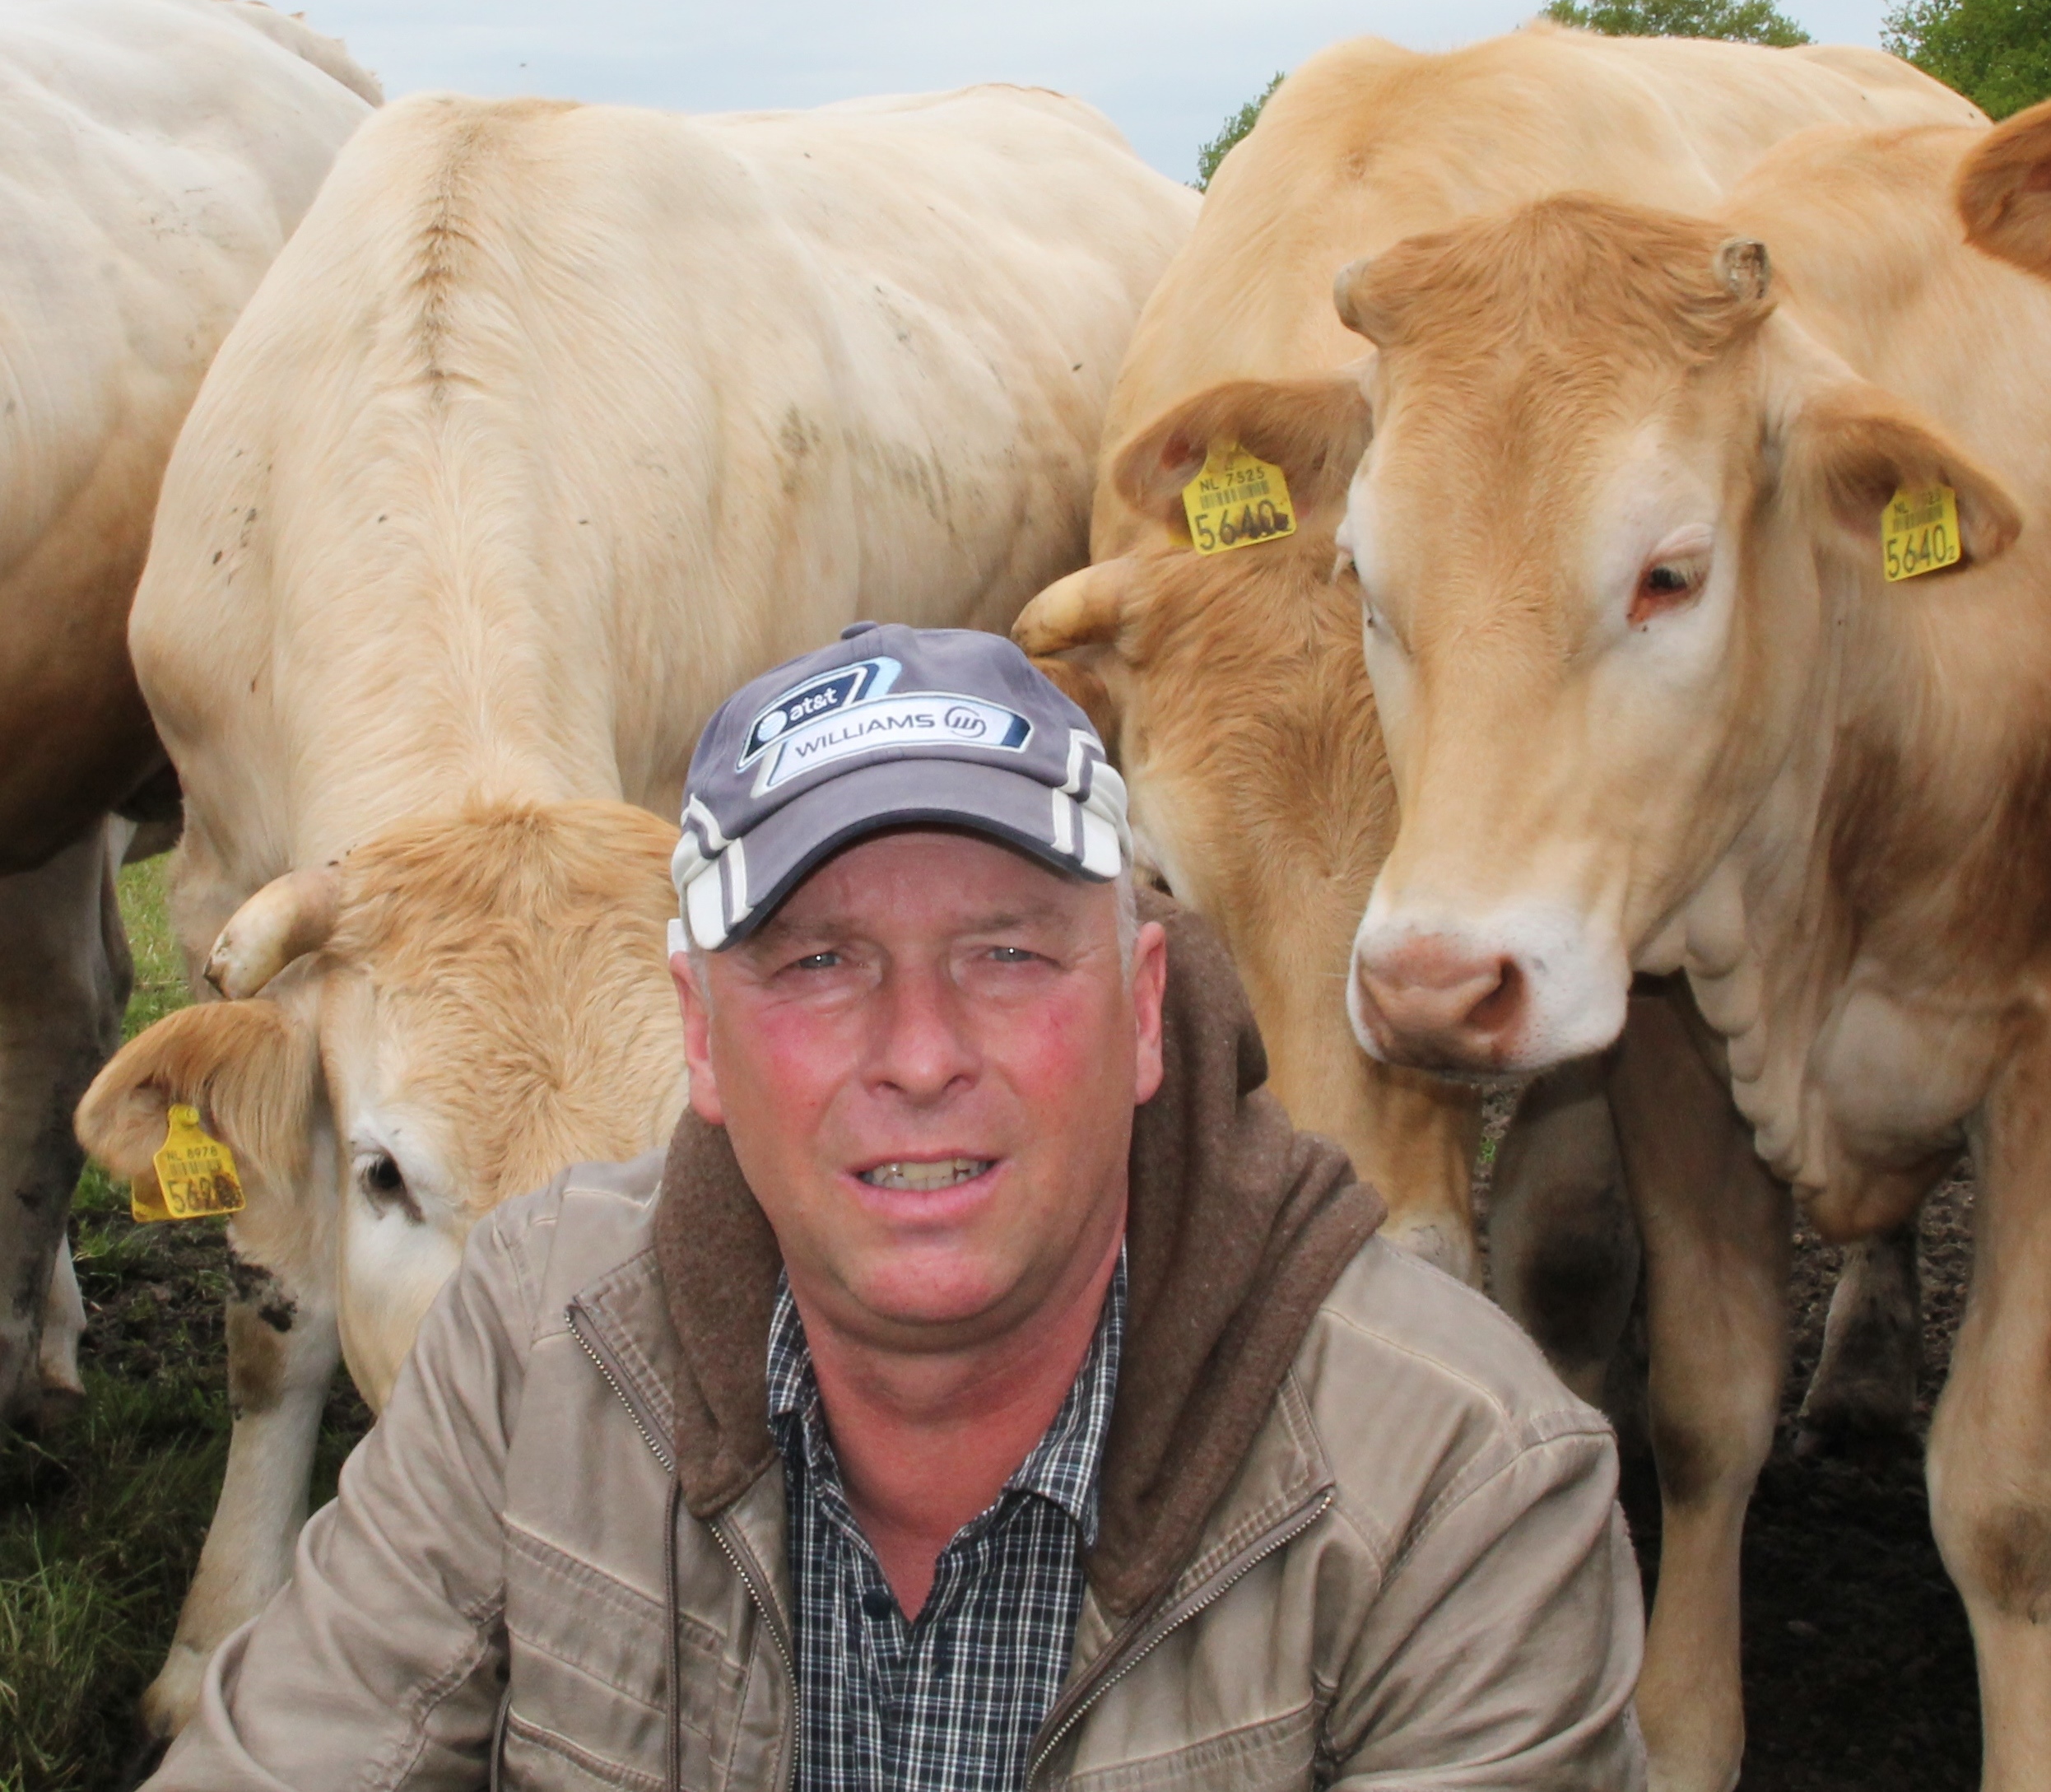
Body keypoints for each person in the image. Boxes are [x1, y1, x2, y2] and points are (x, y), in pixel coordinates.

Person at [146, 622, 1645, 1790]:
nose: (921, 1055)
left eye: (1008, 953)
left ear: (1141, 1009)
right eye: (816, 962)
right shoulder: (530, 1338)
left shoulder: (1465, 1484)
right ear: (697, 1039)